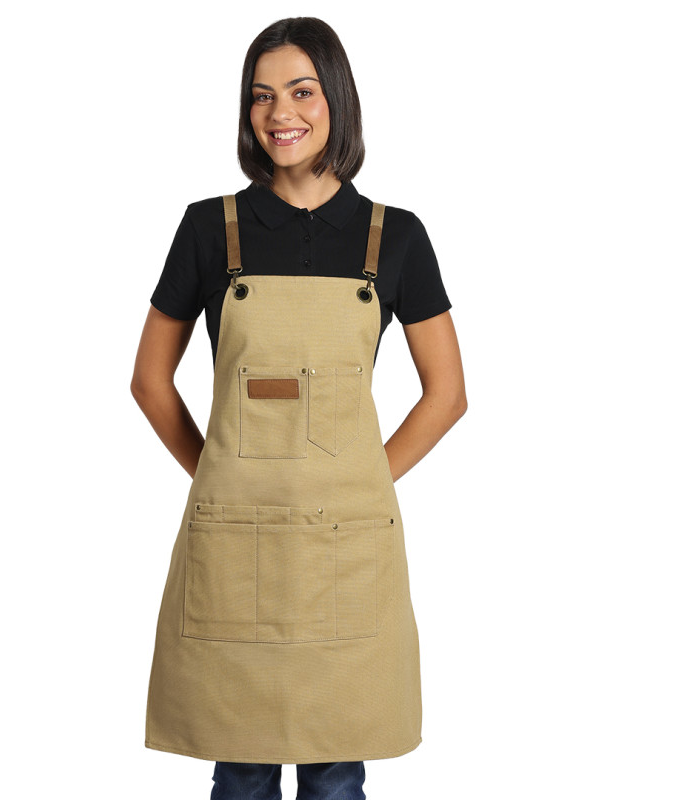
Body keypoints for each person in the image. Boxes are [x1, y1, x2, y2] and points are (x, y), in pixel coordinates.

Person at [131, 16, 467, 800]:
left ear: (336, 100)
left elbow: (447, 394)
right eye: (261, 96)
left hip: (345, 550)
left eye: (302, 91)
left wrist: (362, 479)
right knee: (242, 769)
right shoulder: (209, 228)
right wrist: (220, 473)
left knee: (335, 771)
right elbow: (149, 381)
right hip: (234, 545)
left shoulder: (396, 237)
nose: (280, 112)